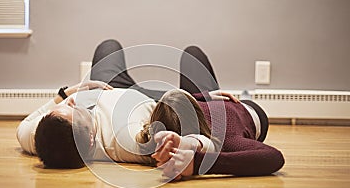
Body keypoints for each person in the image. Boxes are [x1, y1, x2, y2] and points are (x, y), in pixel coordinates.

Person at [17, 39, 230, 168]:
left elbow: (24, 125)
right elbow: (175, 148)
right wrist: (201, 101)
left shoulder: (41, 136)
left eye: (64, 106)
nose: (72, 101)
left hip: (109, 87)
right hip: (156, 102)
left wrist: (66, 92)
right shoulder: (129, 142)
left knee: (108, 47)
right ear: (91, 139)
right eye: (75, 109)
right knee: (192, 56)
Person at [138, 49, 285, 181]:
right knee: (192, 52)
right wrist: (199, 163)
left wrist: (205, 96)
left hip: (223, 104)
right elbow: (274, 158)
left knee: (191, 54)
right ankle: (207, 98)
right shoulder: (225, 138)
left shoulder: (227, 137)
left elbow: (275, 158)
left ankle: (197, 98)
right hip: (235, 108)